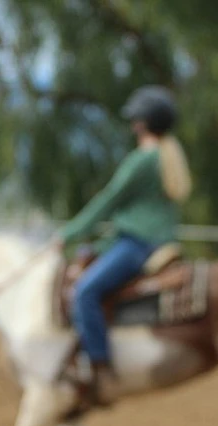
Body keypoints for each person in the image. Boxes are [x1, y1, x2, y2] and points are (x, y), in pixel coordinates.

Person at [57, 85, 192, 405]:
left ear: (144, 123)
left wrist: (70, 233)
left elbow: (108, 200)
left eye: (135, 120)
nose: (132, 125)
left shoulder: (142, 160)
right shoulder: (169, 156)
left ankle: (98, 365)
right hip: (153, 239)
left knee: (85, 291)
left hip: (137, 243)